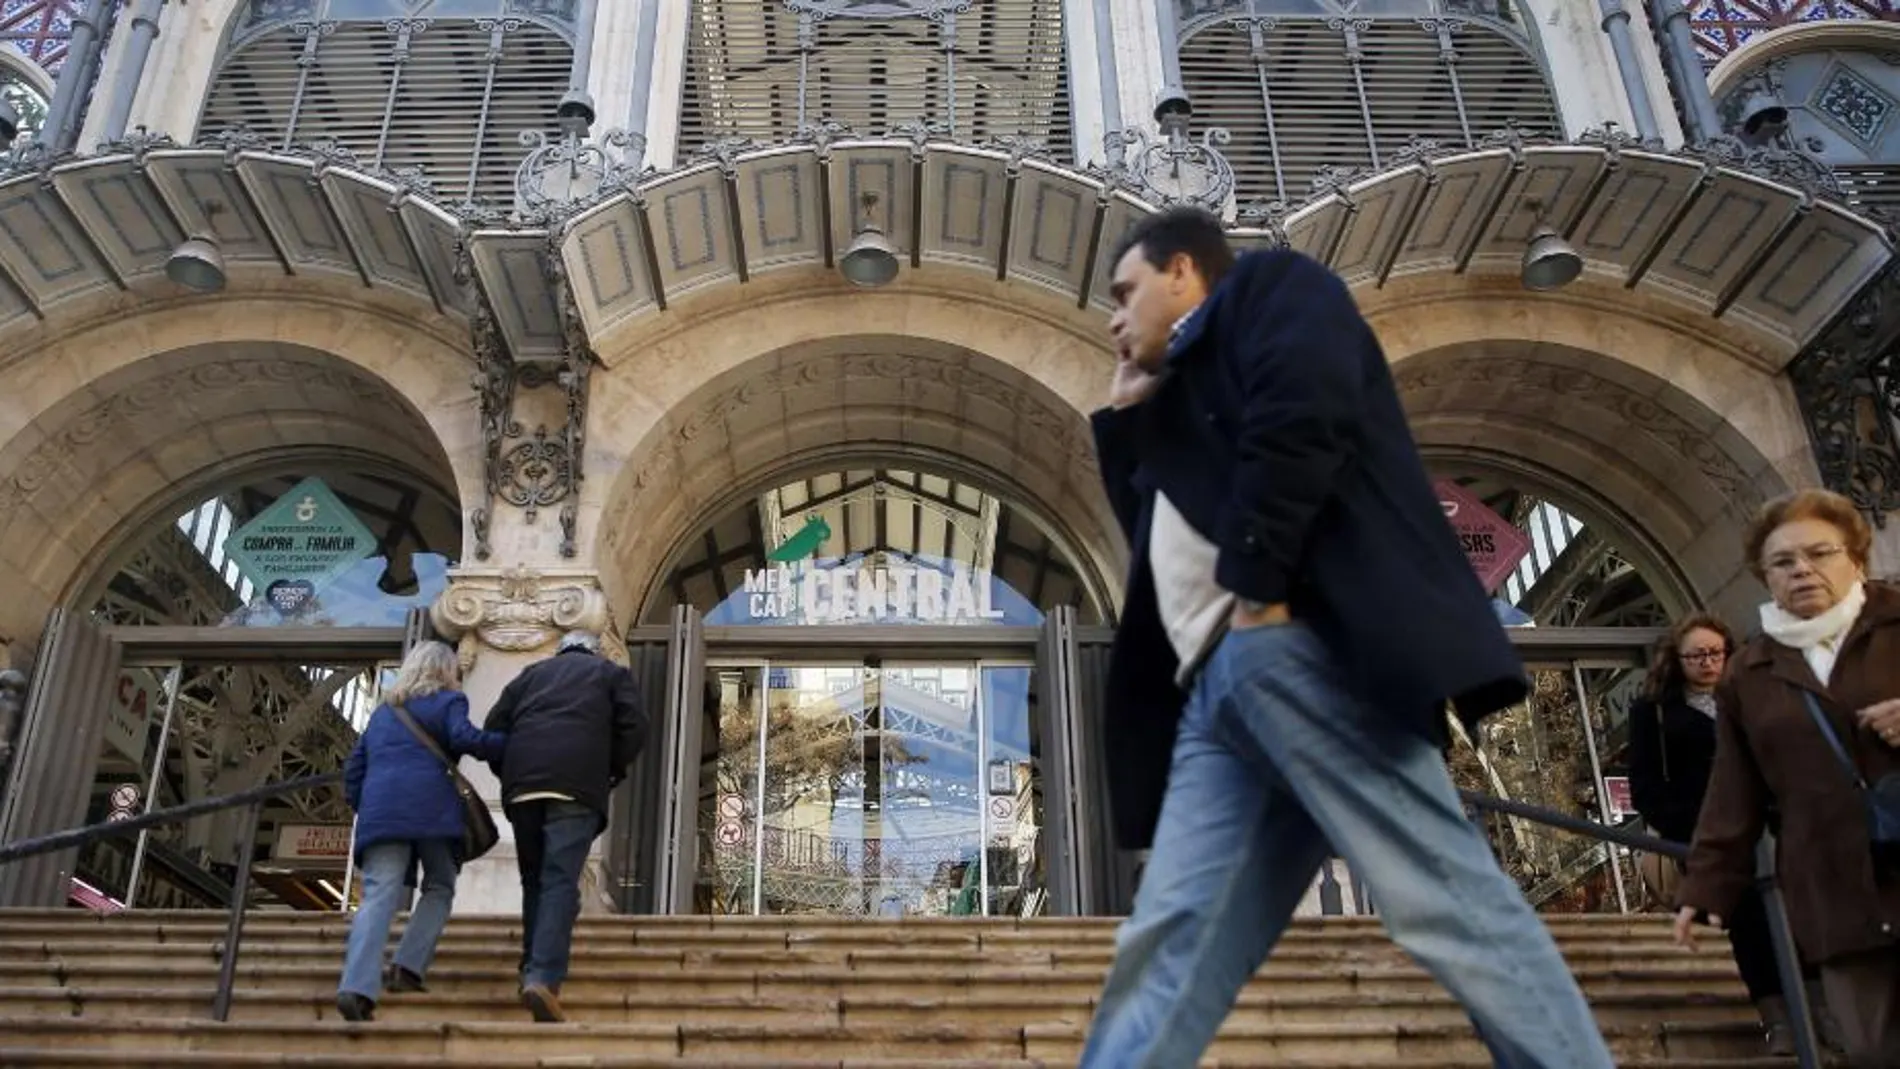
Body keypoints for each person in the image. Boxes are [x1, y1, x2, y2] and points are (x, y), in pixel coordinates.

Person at [1077, 205, 1616, 1068]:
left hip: (1296, 652)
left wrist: (1259, 595)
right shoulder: (1184, 393)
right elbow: (1157, 536)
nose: (1112, 315)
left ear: (1183, 270)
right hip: (1219, 698)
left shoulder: (1272, 288)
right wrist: (1131, 416)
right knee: (1173, 936)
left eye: (1124, 291)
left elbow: (1304, 418)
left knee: (1440, 894)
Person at [1675, 489, 1900, 1066]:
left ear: (1855, 556)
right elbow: (1734, 789)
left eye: (1818, 553)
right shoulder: (1749, 673)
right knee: (1874, 1051)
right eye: (1783, 562)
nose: (1802, 569)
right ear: (1763, 575)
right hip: (1835, 892)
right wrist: (1705, 884)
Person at [1629, 613, 1825, 1054]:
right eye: (1696, 655)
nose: (1707, 662)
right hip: (1712, 837)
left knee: (1804, 913)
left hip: (1781, 826)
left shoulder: (1753, 698)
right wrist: (1692, 830)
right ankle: (1779, 1020)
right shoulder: (1655, 711)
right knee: (1749, 923)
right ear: (1676, 660)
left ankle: (1822, 1014)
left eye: (1716, 653)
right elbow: (1645, 785)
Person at [337, 640, 505, 1022]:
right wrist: (509, 743)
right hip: (433, 810)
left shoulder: (383, 714)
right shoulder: (449, 702)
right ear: (447, 671)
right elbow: (465, 739)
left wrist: (369, 805)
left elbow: (354, 770)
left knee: (379, 895)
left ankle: (356, 986)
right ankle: (408, 967)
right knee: (440, 886)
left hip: (383, 812)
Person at [484, 629, 646, 1023]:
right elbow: (634, 728)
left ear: (561, 651)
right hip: (575, 785)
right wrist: (609, 769)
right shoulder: (610, 675)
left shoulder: (530, 675)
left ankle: (530, 966)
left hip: (523, 789)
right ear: (597, 651)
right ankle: (543, 976)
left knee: (535, 880)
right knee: (558, 880)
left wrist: (510, 771)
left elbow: (493, 729)